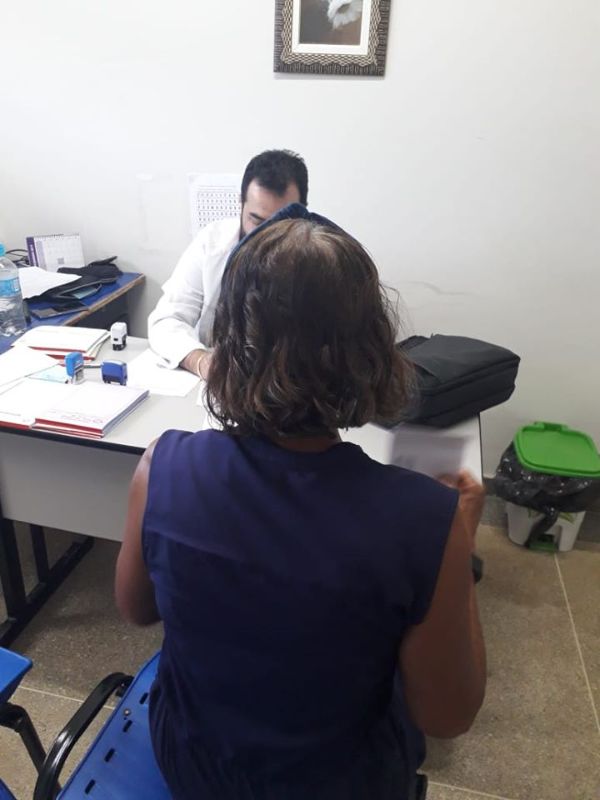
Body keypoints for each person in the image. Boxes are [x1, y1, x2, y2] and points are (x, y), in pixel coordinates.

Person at [117, 205, 486, 800]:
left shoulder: (162, 465)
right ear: (372, 347)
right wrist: (460, 547)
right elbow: (447, 717)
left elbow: (136, 610)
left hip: (193, 765)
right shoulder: (424, 518)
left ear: (231, 341)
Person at [147, 149, 308, 378]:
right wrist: (201, 361)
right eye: (257, 221)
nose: (267, 235)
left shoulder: (321, 259)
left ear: (302, 213)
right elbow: (166, 320)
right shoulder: (211, 243)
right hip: (218, 384)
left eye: (281, 223)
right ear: (240, 204)